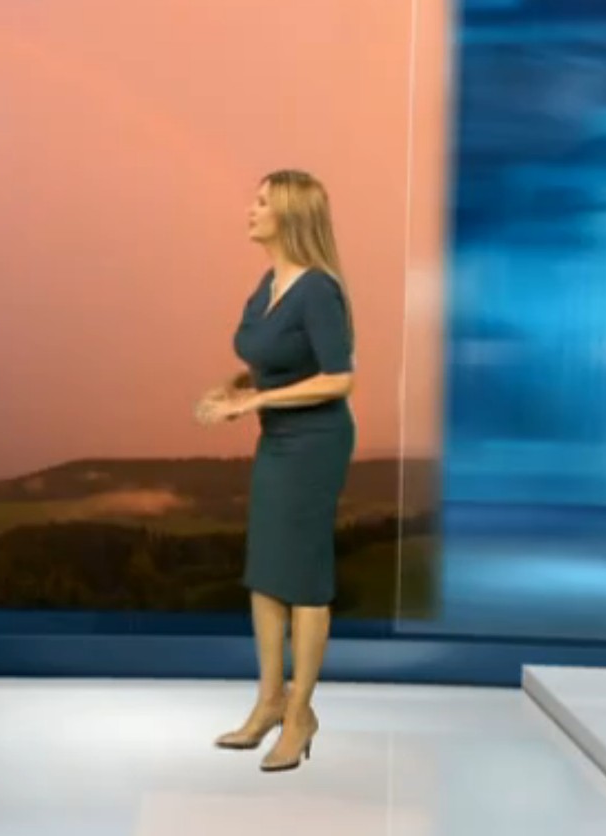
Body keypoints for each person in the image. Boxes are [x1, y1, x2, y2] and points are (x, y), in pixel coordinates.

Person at [195, 169, 356, 773]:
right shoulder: (269, 283)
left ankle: (299, 715)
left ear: (289, 214)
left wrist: (254, 402)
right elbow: (276, 361)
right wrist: (236, 388)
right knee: (266, 573)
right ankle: (269, 702)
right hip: (278, 440)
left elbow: (339, 378)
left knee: (304, 579)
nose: (252, 209)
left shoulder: (318, 290)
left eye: (262, 202)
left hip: (316, 443)